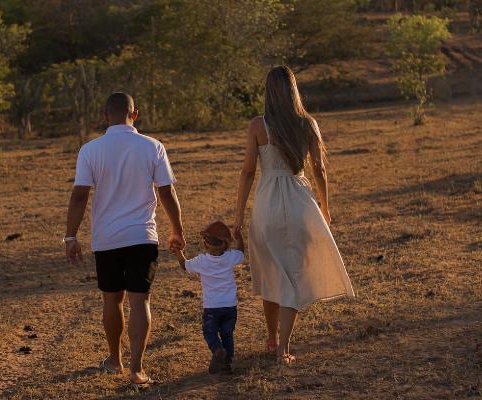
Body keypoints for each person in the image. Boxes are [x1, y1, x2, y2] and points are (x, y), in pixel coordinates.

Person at [233, 66, 355, 365]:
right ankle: (282, 347)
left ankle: (273, 338)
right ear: (293, 89)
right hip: (300, 201)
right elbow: (320, 169)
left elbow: (248, 171)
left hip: (267, 204)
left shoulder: (258, 126)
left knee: (271, 272)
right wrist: (325, 208)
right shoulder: (307, 124)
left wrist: (237, 218)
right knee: (293, 274)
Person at [64, 92, 185, 388]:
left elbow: (80, 195)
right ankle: (136, 369)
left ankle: (114, 359)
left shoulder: (90, 150)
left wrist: (70, 235)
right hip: (142, 236)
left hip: (106, 238)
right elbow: (166, 192)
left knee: (112, 299)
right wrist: (177, 230)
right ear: (136, 113)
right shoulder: (153, 147)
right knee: (139, 300)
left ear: (106, 116)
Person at [173, 221, 244, 374]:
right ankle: (227, 363)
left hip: (212, 307)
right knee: (227, 334)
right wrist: (239, 238)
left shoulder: (201, 261)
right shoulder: (231, 257)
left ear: (205, 245)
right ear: (226, 244)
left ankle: (218, 350)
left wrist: (178, 252)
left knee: (209, 332)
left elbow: (185, 266)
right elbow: (241, 253)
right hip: (230, 306)